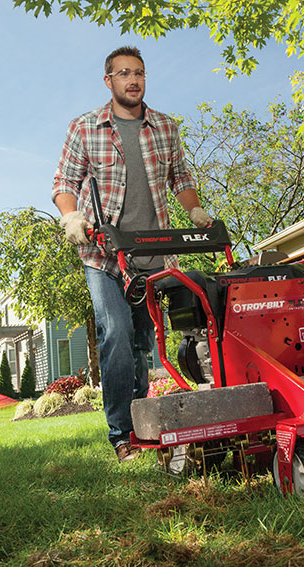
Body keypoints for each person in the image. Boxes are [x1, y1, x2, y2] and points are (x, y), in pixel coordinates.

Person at [52, 45, 214, 463]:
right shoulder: (85, 127)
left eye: (139, 72)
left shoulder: (164, 127)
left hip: (151, 256)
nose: (133, 79)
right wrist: (72, 218)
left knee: (143, 343)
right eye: (124, 73)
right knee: (117, 333)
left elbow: (181, 178)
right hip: (103, 256)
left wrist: (194, 209)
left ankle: (144, 424)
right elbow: (64, 182)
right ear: (109, 81)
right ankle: (121, 433)